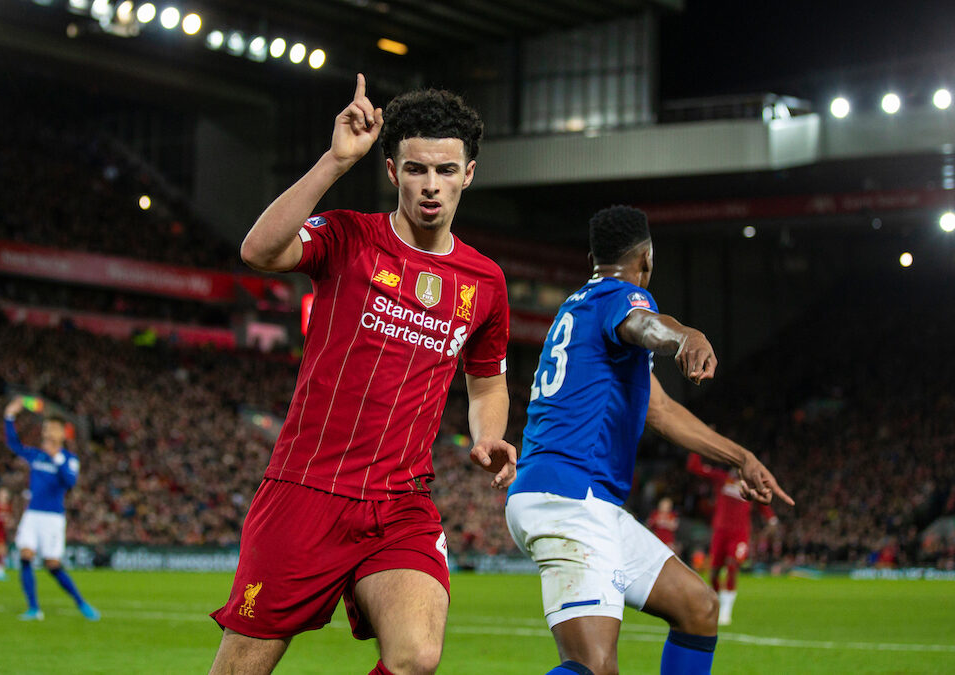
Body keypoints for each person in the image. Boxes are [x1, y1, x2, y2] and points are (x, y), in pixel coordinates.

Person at [207, 74, 514, 675]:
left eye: (446, 171)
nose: (432, 186)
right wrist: (334, 161)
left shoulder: (486, 282)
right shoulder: (349, 236)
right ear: (394, 172)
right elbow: (259, 252)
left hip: (402, 501)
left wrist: (487, 435)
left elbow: (488, 380)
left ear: (469, 173)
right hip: (307, 489)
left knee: (417, 658)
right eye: (417, 169)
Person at [505, 206, 793, 675]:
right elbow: (646, 325)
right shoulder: (623, 298)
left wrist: (740, 458)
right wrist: (685, 337)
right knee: (594, 666)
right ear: (647, 257)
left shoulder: (580, 308)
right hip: (570, 498)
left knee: (698, 608)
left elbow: (660, 412)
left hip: (581, 499)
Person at [3, 396, 99, 622]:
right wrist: (9, 416)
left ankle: (81, 602)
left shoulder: (69, 459)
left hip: (53, 518)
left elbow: (70, 482)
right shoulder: (36, 455)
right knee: (25, 556)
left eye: (52, 428)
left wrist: (56, 458)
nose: (47, 431)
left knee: (52, 565)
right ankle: (34, 609)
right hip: (32, 514)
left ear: (62, 434)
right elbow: (13, 445)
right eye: (46, 427)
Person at [686, 453, 778, 625]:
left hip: (739, 533)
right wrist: (696, 449)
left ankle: (726, 611)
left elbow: (763, 503)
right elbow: (694, 468)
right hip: (720, 532)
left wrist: (772, 520)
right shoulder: (722, 478)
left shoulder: (752, 485)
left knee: (731, 565)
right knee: (713, 571)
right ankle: (716, 605)